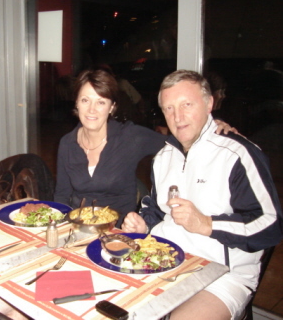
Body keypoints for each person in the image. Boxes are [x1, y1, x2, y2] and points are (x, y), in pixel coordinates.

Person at [122, 70, 283, 319]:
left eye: (187, 104)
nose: (178, 117)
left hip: (221, 275)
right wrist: (144, 223)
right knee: (111, 306)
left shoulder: (238, 154)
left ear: (209, 104)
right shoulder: (162, 158)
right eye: (169, 108)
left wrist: (207, 224)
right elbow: (157, 211)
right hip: (166, 260)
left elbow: (270, 226)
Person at [54, 67, 235, 227]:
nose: (92, 109)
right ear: (76, 103)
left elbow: (181, 141)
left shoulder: (130, 137)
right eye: (85, 100)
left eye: (101, 102)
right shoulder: (67, 144)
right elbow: (62, 196)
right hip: (79, 228)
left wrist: (211, 126)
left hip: (120, 230)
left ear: (112, 107)